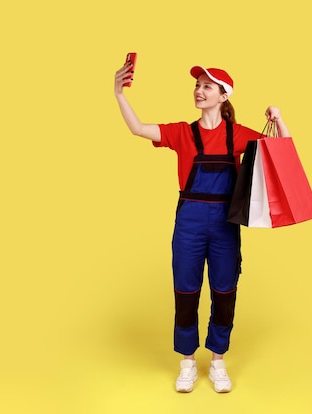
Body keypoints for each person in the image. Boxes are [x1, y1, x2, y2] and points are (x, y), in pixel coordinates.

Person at [114, 60, 290, 393]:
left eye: (207, 86)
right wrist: (118, 93)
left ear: (224, 96)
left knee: (224, 291)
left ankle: (218, 362)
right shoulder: (182, 132)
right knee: (186, 290)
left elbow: (282, 153)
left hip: (226, 224)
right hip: (189, 222)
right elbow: (138, 128)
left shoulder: (237, 135)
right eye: (197, 85)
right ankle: (188, 363)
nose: (199, 90)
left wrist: (279, 119)